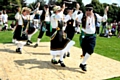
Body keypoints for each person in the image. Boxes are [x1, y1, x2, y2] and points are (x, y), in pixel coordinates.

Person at [79, 4, 108, 71]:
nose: (88, 11)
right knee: (85, 52)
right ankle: (84, 63)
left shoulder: (95, 15)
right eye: (87, 10)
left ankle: (83, 63)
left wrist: (105, 12)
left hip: (92, 36)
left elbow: (104, 19)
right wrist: (77, 10)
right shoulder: (82, 15)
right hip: (84, 36)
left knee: (91, 50)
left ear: (92, 10)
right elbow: (75, 17)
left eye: (90, 10)